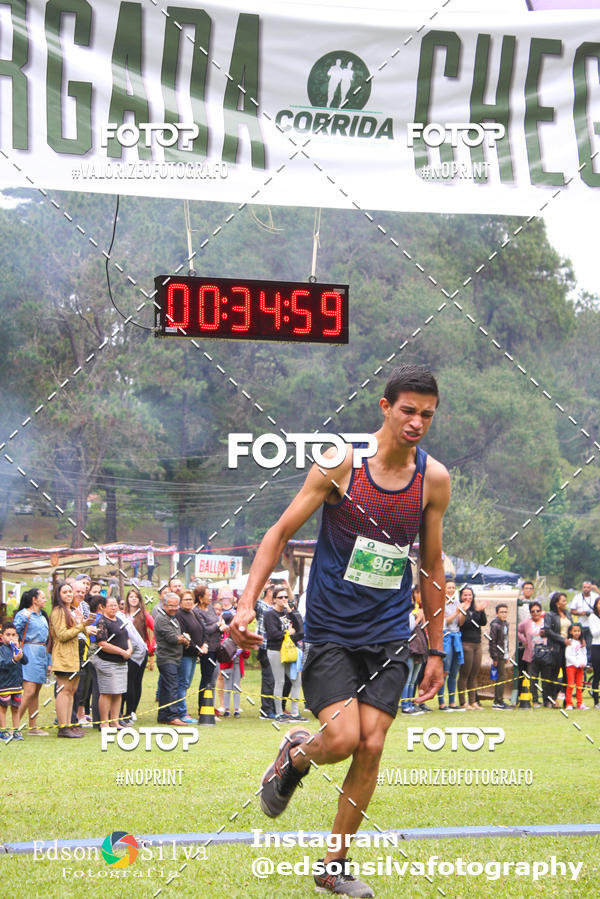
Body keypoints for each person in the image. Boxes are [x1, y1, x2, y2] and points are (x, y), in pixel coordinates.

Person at [231, 364, 449, 897]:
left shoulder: (434, 479)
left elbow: (434, 566)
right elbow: (279, 532)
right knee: (344, 737)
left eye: (427, 414)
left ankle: (334, 864)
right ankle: (295, 755)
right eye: (408, 411)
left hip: (391, 632)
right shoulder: (341, 465)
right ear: (384, 407)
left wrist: (437, 647)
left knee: (371, 744)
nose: (417, 422)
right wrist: (245, 604)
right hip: (331, 629)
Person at [49, 580, 96, 738]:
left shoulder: (72, 610)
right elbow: (62, 635)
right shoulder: (58, 611)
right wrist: (82, 625)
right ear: (58, 595)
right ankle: (63, 726)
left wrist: (83, 625)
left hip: (74, 655)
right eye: (65, 592)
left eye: (70, 591)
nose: (69, 594)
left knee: (72, 690)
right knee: (64, 690)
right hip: (63, 655)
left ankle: (70, 723)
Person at [263, 586, 306, 721]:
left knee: (296, 680)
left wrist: (290, 611)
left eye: (286, 597)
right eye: (280, 597)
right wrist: (288, 633)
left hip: (289, 651)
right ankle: (278, 713)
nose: (284, 600)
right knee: (280, 681)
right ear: (274, 599)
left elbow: (300, 630)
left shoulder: (287, 613)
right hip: (275, 650)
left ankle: (294, 713)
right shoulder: (269, 614)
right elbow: (273, 634)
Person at [14, 588, 51, 735]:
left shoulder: (42, 617)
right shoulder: (24, 615)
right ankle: (14, 726)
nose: (45, 600)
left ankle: (32, 726)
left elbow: (46, 640)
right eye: (42, 597)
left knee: (36, 691)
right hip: (29, 652)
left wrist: (48, 660)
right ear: (34, 599)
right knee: (28, 690)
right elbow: (14, 634)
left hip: (41, 653)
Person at [95, 596, 132, 728]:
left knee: (118, 691)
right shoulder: (102, 622)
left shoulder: (119, 620)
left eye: (115, 605)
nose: (113, 607)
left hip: (121, 663)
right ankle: (104, 722)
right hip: (107, 662)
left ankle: (114, 721)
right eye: (110, 605)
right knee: (107, 692)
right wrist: (122, 652)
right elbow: (102, 643)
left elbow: (126, 637)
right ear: (103, 607)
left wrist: (129, 649)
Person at [155, 592, 189, 725]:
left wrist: (183, 639)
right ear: (164, 605)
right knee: (172, 686)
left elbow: (178, 636)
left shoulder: (173, 618)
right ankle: (172, 716)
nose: (174, 608)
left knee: (165, 687)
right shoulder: (162, 618)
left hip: (174, 658)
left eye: (176, 606)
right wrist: (183, 639)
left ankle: (163, 716)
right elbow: (172, 638)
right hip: (166, 658)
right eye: (170, 606)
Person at [118, 587, 151, 724]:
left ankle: (131, 711)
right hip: (125, 652)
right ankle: (120, 710)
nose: (133, 599)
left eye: (135, 597)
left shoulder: (143, 614)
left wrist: (150, 647)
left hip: (140, 652)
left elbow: (154, 629)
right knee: (125, 682)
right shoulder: (121, 614)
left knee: (136, 682)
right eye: (131, 597)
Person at [176, 589, 208, 723]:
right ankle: (182, 713)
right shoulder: (179, 615)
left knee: (187, 683)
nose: (189, 602)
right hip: (186, 654)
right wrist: (198, 649)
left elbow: (203, 630)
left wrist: (205, 644)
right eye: (186, 599)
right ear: (180, 602)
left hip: (195, 654)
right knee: (182, 683)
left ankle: (182, 711)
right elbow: (185, 635)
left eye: (190, 599)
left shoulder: (194, 613)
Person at [195, 586, 226, 716]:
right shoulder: (196, 612)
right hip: (207, 649)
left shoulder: (212, 609)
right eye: (208, 595)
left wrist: (221, 625)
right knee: (207, 678)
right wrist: (217, 626)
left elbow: (216, 623)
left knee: (214, 677)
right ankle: (203, 707)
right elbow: (204, 629)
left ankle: (210, 705)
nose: (211, 597)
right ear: (200, 598)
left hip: (216, 647)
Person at [458, 586, 488, 710]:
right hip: (466, 644)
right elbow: (464, 623)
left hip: (477, 644)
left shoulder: (476, 608)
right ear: (460, 596)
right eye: (465, 595)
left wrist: (481, 611)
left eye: (470, 595)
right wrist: (475, 611)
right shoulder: (461, 608)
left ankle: (473, 701)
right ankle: (462, 702)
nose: (468, 597)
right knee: (465, 674)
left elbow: (483, 622)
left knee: (474, 674)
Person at [437, 580, 465, 711]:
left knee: (454, 672)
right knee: (444, 671)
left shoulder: (457, 603)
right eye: (449, 587)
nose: (451, 590)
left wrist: (462, 612)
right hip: (446, 637)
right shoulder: (441, 604)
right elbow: (444, 622)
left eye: (453, 587)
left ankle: (452, 702)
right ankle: (442, 702)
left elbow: (460, 623)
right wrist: (456, 612)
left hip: (456, 637)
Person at [542, 592, 573, 706]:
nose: (565, 603)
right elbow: (548, 631)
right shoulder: (549, 615)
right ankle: (550, 700)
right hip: (555, 648)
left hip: (568, 648)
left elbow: (573, 627)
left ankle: (567, 700)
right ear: (557, 603)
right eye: (563, 600)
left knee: (567, 675)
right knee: (553, 675)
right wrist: (562, 639)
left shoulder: (568, 614)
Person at [518, 601, 551, 706]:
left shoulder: (546, 621)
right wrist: (524, 640)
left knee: (546, 678)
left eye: (538, 611)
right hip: (531, 654)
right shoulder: (527, 622)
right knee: (533, 678)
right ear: (530, 612)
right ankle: (535, 700)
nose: (535, 613)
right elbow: (517, 630)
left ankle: (546, 700)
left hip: (545, 653)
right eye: (533, 611)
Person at [0, 620, 28, 742]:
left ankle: (16, 730)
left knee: (16, 707)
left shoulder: (16, 648)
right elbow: (3, 664)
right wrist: (14, 660)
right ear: (2, 636)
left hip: (16, 685)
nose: (11, 637)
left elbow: (25, 661)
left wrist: (18, 649)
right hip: (4, 685)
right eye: (8, 635)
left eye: (13, 635)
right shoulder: (1, 650)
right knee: (3, 708)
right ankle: (3, 731)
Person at [254, 582, 277, 719]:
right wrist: (262, 585)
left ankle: (275, 708)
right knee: (269, 679)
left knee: (278, 680)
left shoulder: (278, 608)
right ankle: (266, 710)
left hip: (278, 647)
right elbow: (254, 599)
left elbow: (291, 601)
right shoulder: (262, 606)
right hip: (265, 647)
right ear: (269, 592)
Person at [569, 580, 599, 655]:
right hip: (581, 624)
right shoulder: (577, 597)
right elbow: (572, 610)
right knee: (581, 643)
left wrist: (596, 589)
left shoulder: (595, 596)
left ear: (591, 588)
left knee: (590, 644)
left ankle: (589, 662)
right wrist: (580, 613)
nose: (586, 589)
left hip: (592, 624)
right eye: (584, 587)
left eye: (588, 587)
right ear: (582, 588)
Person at [489, 603, 510, 709]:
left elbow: (506, 640)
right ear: (497, 613)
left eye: (505, 612)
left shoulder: (505, 624)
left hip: (503, 654)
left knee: (502, 677)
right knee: (500, 677)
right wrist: (495, 657)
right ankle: (498, 701)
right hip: (498, 654)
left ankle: (499, 699)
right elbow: (492, 641)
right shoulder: (495, 625)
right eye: (501, 612)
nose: (504, 614)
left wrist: (507, 654)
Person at [564, 623, 588, 710]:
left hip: (580, 667)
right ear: (570, 632)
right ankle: (569, 703)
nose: (577, 633)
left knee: (579, 685)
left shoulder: (582, 642)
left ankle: (580, 703)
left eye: (578, 631)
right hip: (571, 666)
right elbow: (568, 656)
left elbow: (584, 653)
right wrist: (577, 663)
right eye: (575, 631)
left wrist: (583, 663)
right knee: (570, 684)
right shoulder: (570, 642)